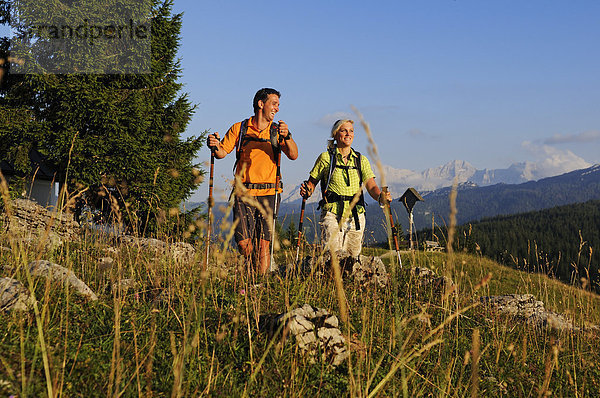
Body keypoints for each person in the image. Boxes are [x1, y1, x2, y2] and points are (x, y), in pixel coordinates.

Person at [207, 88, 298, 274]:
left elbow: (294, 155)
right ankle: (251, 268)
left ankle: (259, 285)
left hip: (270, 193)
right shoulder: (239, 128)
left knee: (264, 245)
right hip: (243, 193)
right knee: (244, 244)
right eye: (274, 104)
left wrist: (287, 136)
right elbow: (222, 153)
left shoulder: (278, 131)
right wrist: (214, 145)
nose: (277, 109)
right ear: (260, 103)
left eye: (278, 105)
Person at [299, 119, 391, 258]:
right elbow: (312, 183)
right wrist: (307, 190)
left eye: (351, 131)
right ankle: (332, 280)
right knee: (332, 256)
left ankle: (348, 280)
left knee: (353, 257)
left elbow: (371, 185)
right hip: (331, 213)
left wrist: (380, 197)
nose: (348, 134)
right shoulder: (326, 158)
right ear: (336, 135)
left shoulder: (361, 160)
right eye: (344, 130)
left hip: (356, 215)